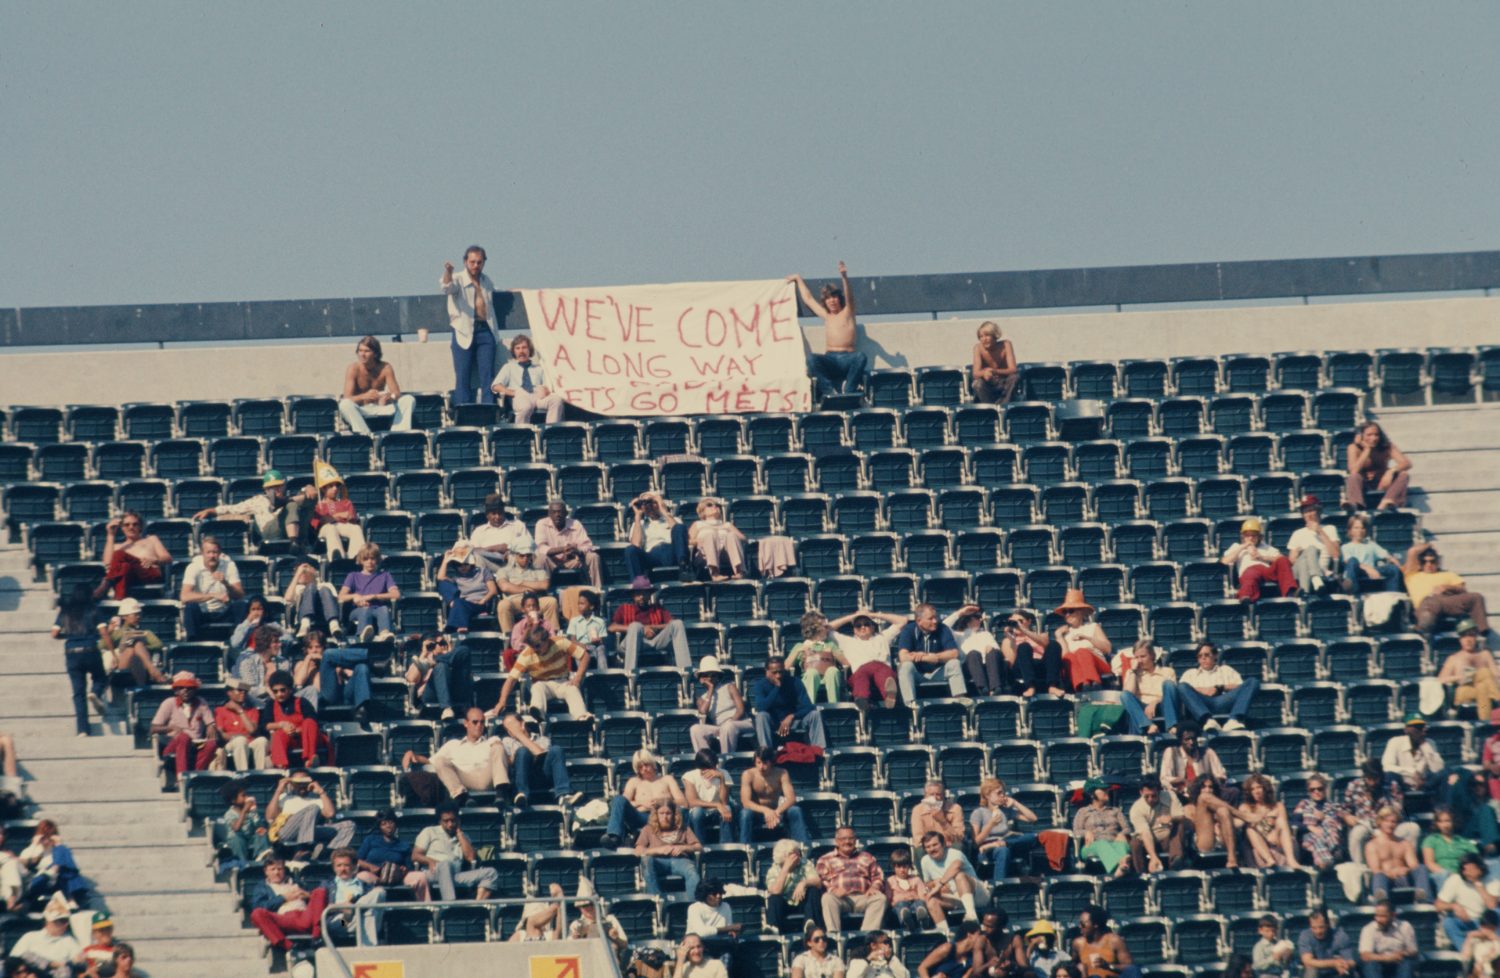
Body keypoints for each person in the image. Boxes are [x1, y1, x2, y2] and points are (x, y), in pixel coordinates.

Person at [791, 261, 867, 399]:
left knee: (861, 357)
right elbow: (808, 299)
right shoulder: (826, 316)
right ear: (824, 302)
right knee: (812, 359)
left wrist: (844, 276)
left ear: (839, 298)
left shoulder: (848, 311)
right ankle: (830, 393)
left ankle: (848, 391)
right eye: (828, 298)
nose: (831, 301)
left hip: (848, 357)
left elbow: (849, 297)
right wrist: (798, 278)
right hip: (830, 358)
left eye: (834, 297)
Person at [403, 708, 508, 806]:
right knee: (440, 760)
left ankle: (501, 793)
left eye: (482, 722)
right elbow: (432, 762)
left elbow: (502, 760)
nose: (479, 725)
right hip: (463, 780)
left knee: (498, 747)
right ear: (466, 723)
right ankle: (461, 797)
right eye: (475, 722)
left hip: (487, 777)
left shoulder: (492, 741)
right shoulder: (453, 744)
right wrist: (412, 754)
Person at [441, 245, 500, 406]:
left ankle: (489, 409)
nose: (476, 265)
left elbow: (496, 295)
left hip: (485, 331)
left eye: (479, 262)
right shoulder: (458, 278)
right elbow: (446, 287)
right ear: (466, 262)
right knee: (463, 375)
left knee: (488, 375)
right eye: (472, 262)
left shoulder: (486, 280)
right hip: (464, 331)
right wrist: (448, 272)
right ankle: (463, 411)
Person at [491, 627, 591, 719]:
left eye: (538, 646)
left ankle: (582, 717)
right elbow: (511, 680)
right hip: (542, 683)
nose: (535, 649)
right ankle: (537, 714)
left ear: (546, 640)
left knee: (573, 689)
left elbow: (585, 656)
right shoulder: (526, 655)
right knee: (537, 687)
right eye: (532, 646)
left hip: (563, 681)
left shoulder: (561, 642)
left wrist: (578, 677)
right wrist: (502, 701)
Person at [195, 471, 309, 550]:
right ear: (265, 489)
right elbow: (234, 509)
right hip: (269, 531)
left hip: (286, 529)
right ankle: (294, 542)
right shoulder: (258, 500)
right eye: (271, 487)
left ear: (284, 486)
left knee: (295, 506)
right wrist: (212, 510)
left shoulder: (291, 499)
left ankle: (298, 543)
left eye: (278, 486)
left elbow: (309, 499)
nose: (276, 490)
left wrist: (302, 492)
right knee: (292, 505)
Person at [600, 749, 686, 849]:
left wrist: (663, 803)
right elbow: (623, 803)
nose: (644, 769)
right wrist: (642, 803)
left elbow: (683, 802)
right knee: (618, 799)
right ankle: (614, 837)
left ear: (652, 764)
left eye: (646, 765)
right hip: (641, 817)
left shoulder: (667, 780)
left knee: (683, 811)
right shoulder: (634, 782)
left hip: (663, 817)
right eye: (640, 767)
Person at [413, 802, 499, 901]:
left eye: (453, 820)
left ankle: (476, 906)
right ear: (440, 821)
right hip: (433, 873)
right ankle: (450, 905)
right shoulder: (429, 831)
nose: (450, 824)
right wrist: (430, 861)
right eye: (446, 821)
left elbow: (471, 858)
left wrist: (459, 834)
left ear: (458, 820)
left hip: (455, 875)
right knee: (445, 864)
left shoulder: (463, 837)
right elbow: (415, 855)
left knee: (491, 873)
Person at [53, 584, 107, 737]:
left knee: (78, 693)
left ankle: (82, 729)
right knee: (100, 677)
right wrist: (113, 653)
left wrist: (69, 636)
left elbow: (54, 633)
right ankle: (95, 692)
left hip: (72, 652)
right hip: (90, 649)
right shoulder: (94, 609)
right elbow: (104, 633)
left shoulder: (65, 611)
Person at [1343, 759, 1420, 867]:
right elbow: (1345, 809)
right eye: (1369, 778)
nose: (1372, 782)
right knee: (1357, 833)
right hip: (1366, 826)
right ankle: (1361, 869)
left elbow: (1399, 812)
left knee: (1413, 828)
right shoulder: (1354, 786)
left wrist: (1383, 827)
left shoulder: (1391, 786)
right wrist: (1347, 816)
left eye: (1375, 778)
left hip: (1389, 826)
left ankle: (1409, 866)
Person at [1403, 543, 1490, 636]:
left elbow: (1462, 590)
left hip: (1447, 603)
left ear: (1438, 561)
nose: (1428, 564)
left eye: (1432, 561)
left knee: (1476, 597)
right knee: (1431, 601)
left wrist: (1447, 587)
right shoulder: (1412, 575)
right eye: (1424, 561)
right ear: (1420, 563)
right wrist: (1428, 545)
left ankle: (1482, 632)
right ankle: (1422, 629)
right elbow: (1412, 552)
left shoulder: (1448, 574)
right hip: (1425, 605)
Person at [828, 609, 906, 711]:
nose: (863, 627)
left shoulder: (883, 637)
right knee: (860, 676)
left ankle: (890, 697)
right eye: (858, 625)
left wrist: (872, 614)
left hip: (881, 667)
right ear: (854, 629)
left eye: (866, 624)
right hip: (861, 671)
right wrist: (852, 617)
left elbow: (903, 620)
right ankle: (862, 701)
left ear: (873, 626)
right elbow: (826, 629)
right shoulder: (847, 641)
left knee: (884, 673)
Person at [498, 711, 580, 807]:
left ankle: (564, 794)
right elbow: (509, 762)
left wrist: (520, 735)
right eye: (507, 728)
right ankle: (521, 795)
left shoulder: (542, 739)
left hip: (542, 775)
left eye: (511, 725)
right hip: (521, 777)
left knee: (556, 749)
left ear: (522, 723)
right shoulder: (507, 741)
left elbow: (539, 753)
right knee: (522, 751)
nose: (510, 730)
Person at [337, 334, 416, 433]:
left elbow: (396, 393)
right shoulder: (353, 368)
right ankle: (365, 435)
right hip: (361, 410)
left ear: (375, 353)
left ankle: (398, 434)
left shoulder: (385, 367)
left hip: (381, 408)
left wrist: (389, 397)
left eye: (366, 351)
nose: (362, 354)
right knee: (344, 404)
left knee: (408, 399)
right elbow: (347, 398)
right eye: (360, 351)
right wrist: (364, 396)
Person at [248, 856, 329, 952]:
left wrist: (308, 895)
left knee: (320, 891)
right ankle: (288, 946)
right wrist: (283, 898)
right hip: (284, 918)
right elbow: (258, 906)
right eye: (272, 869)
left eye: (280, 869)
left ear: (284, 869)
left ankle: (317, 936)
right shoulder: (262, 888)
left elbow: (319, 902)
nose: (277, 872)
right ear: (266, 871)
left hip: (304, 916)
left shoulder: (296, 882)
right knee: (257, 914)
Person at [816, 826, 888, 934]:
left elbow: (878, 876)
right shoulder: (826, 859)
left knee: (880, 898)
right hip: (841, 899)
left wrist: (874, 887)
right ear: (836, 841)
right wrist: (833, 889)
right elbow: (821, 879)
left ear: (855, 840)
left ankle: (866, 936)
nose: (847, 842)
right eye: (843, 839)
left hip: (864, 897)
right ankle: (834, 936)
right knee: (827, 898)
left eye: (851, 838)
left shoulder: (867, 857)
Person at [266, 769, 354, 855]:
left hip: (311, 830)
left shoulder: (317, 800)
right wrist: (278, 791)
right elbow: (270, 817)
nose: (301, 785)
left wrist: (321, 792)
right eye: (298, 783)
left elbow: (330, 814)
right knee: (313, 808)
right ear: (292, 783)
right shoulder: (285, 797)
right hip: (287, 831)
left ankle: (329, 853)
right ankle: (303, 848)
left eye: (304, 782)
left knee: (348, 825)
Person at [1175, 642, 1259, 732]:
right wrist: (1203, 690)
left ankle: (1234, 720)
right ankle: (1208, 720)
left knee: (1253, 681)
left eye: (1207, 655)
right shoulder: (1190, 673)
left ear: (1215, 656)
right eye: (1200, 656)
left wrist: (1221, 687)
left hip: (1223, 701)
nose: (1203, 658)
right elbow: (1182, 690)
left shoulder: (1226, 670)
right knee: (1182, 686)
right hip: (1201, 703)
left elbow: (1242, 687)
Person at [610, 584, 692, 672]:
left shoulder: (658, 608)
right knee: (635, 626)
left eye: (644, 593)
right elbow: (612, 627)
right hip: (633, 642)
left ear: (649, 595)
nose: (641, 597)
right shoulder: (624, 608)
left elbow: (671, 623)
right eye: (638, 594)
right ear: (633, 595)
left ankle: (686, 672)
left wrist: (653, 627)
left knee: (678, 624)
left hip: (655, 641)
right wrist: (641, 629)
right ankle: (630, 673)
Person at [355, 807, 431, 902]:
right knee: (362, 876)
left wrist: (404, 870)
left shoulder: (403, 845)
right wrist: (370, 866)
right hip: (375, 876)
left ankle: (427, 908)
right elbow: (356, 860)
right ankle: (360, 909)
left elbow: (409, 868)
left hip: (397, 877)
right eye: (384, 824)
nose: (388, 826)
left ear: (395, 824)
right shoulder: (371, 840)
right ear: (379, 826)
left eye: (391, 822)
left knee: (420, 877)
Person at [972, 777, 1041, 880]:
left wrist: (1015, 803)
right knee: (1003, 850)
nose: (1003, 795)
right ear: (987, 795)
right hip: (987, 849)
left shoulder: (1005, 810)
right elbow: (976, 842)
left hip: (1008, 842)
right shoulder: (979, 813)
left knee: (1034, 837)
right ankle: (998, 884)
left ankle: (1005, 844)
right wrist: (991, 824)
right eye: (998, 793)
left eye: (1003, 792)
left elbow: (1033, 819)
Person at [753, 655, 828, 749]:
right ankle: (766, 753)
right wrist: (777, 688)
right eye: (774, 672)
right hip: (773, 721)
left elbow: (809, 706)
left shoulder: (795, 682)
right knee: (761, 716)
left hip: (793, 720)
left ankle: (819, 751)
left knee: (815, 714)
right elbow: (761, 707)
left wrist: (791, 716)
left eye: (781, 672)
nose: (778, 675)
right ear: (767, 671)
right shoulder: (760, 685)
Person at [150, 671, 217, 776]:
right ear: (176, 691)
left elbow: (210, 722)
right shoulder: (169, 703)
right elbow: (153, 728)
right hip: (173, 744)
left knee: (211, 744)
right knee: (183, 737)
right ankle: (182, 775)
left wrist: (211, 726)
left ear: (194, 690)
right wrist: (170, 728)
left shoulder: (201, 702)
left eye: (189, 688)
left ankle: (196, 775)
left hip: (195, 744)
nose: (185, 691)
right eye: (181, 688)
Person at [178, 536, 246, 640]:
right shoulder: (193, 567)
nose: (212, 556)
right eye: (208, 552)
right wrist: (213, 595)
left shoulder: (229, 566)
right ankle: (193, 642)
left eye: (215, 552)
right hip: (202, 612)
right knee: (190, 607)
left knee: (240, 605)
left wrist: (226, 583)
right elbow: (184, 596)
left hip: (224, 611)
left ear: (219, 553)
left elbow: (240, 595)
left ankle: (240, 640)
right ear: (202, 553)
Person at [897, 604, 966, 705]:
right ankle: (910, 704)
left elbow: (954, 653)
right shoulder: (908, 630)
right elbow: (903, 656)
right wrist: (926, 657)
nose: (935, 621)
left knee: (954, 663)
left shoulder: (943, 628)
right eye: (930, 618)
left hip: (939, 672)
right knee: (905, 666)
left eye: (936, 617)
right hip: (917, 673)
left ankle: (960, 701)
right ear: (919, 621)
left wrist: (935, 657)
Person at [739, 746, 811, 844]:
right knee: (745, 813)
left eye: (765, 763)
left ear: (771, 762)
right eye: (758, 763)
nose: (761, 767)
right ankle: (745, 849)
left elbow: (791, 799)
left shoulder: (782, 773)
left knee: (795, 810)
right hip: (757, 813)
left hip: (777, 811)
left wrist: (776, 812)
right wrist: (766, 811)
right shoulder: (748, 774)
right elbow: (746, 802)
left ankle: (803, 847)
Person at [919, 830, 990, 928]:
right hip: (954, 897)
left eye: (935, 845)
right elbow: (928, 883)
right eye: (928, 847)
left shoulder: (955, 853)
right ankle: (944, 933)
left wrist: (940, 884)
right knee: (931, 901)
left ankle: (972, 917)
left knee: (959, 876)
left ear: (943, 844)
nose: (932, 849)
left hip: (977, 895)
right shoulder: (925, 861)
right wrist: (934, 884)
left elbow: (956, 867)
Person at [95, 595, 168, 688]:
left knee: (137, 645)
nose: (138, 617)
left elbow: (159, 644)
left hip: (140, 666)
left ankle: (145, 681)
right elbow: (101, 646)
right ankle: (153, 671)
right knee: (134, 646)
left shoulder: (145, 633)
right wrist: (109, 632)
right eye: (135, 614)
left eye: (139, 614)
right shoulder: (118, 633)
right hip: (120, 666)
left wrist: (143, 649)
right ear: (125, 617)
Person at [97, 511, 172, 600]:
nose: (131, 527)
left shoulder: (151, 540)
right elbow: (107, 564)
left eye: (135, 524)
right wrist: (111, 535)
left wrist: (154, 561)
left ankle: (104, 587)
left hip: (149, 573)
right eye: (127, 525)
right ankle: (119, 599)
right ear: (122, 528)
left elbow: (168, 558)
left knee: (119, 554)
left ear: (140, 527)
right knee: (125, 566)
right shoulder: (118, 546)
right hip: (129, 577)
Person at [490, 333, 564, 423]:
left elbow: (547, 386)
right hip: (519, 395)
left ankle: (551, 432)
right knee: (526, 406)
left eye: (524, 347)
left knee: (556, 400)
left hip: (537, 396)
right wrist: (512, 392)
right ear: (514, 351)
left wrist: (545, 390)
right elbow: (495, 386)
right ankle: (522, 433)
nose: (521, 351)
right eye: (518, 348)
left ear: (529, 350)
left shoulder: (539, 368)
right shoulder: (509, 367)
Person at [623, 491, 690, 588]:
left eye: (651, 501)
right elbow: (636, 545)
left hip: (673, 552)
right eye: (644, 503)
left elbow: (680, 535)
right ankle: (639, 587)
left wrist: (663, 510)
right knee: (630, 550)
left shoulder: (673, 519)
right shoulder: (639, 524)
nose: (648, 505)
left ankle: (684, 569)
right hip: (652, 555)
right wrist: (637, 516)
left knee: (679, 527)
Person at [1365, 806, 1432, 902]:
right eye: (1387, 821)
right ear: (1380, 822)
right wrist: (1392, 873)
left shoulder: (1404, 843)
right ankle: (1381, 902)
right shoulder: (1372, 845)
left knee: (1421, 868)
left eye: (1393, 822)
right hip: (1385, 880)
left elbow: (1413, 865)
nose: (1390, 825)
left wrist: (1405, 870)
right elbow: (1375, 869)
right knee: (1379, 876)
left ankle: (1425, 900)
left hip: (1403, 879)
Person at [636, 800, 702, 897]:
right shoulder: (648, 829)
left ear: (674, 814)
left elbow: (699, 847)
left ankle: (693, 905)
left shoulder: (683, 828)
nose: (665, 817)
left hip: (680, 860)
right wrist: (657, 850)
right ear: (656, 815)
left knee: (692, 871)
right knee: (646, 860)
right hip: (658, 862)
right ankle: (657, 899)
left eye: (668, 813)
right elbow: (638, 851)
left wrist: (684, 848)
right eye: (661, 813)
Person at [305, 628, 373, 722]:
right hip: (325, 699)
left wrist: (342, 671)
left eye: (317, 647)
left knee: (361, 667)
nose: (314, 651)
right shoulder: (303, 664)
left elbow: (348, 676)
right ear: (306, 650)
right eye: (310, 648)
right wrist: (308, 660)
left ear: (323, 647)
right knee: (328, 654)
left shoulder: (333, 661)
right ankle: (372, 658)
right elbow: (297, 681)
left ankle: (361, 709)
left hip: (343, 695)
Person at [1115, 641, 1181, 736]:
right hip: (1140, 708)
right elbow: (1129, 694)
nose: (1139, 661)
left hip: (1162, 705)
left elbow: (1172, 695)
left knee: (1168, 684)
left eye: (1143, 656)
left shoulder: (1168, 671)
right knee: (1124, 695)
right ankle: (1148, 726)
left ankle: (1171, 726)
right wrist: (1133, 671)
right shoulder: (1133, 673)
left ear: (1152, 656)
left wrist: (1154, 703)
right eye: (1136, 657)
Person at [690, 657, 754, 755]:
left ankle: (726, 759)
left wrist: (729, 722)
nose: (710, 678)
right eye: (706, 675)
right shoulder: (702, 698)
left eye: (713, 675)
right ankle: (706, 761)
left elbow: (740, 710)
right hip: (721, 727)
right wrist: (710, 689)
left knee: (728, 726)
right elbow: (703, 711)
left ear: (718, 676)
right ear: (701, 678)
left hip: (740, 722)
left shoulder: (730, 686)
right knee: (695, 729)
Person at [493, 539, 560, 633]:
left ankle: (553, 634)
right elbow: (505, 587)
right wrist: (526, 589)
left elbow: (544, 585)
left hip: (536, 600)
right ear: (515, 555)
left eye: (528, 555)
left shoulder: (538, 571)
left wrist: (520, 582)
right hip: (515, 601)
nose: (525, 558)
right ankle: (509, 636)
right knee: (503, 605)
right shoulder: (504, 571)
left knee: (551, 601)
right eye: (522, 555)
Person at [1436, 854, 1500, 952]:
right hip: (1465, 921)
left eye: (1470, 869)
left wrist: (1477, 883)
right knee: (1448, 923)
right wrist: (1454, 906)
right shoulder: (1455, 879)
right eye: (1464, 869)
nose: (1466, 873)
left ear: (1479, 868)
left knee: (1497, 912)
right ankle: (1468, 953)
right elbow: (1438, 905)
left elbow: (1492, 906)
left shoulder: (1492, 880)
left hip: (1486, 922)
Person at [323, 847, 384, 948]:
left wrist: (353, 908)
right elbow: (320, 908)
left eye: (346, 865)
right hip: (342, 921)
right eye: (339, 866)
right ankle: (369, 951)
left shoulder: (364, 886)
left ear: (355, 866)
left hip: (359, 918)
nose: (343, 869)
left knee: (379, 893)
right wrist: (341, 907)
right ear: (334, 868)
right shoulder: (327, 885)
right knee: (368, 913)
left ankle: (354, 908)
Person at [1224, 518, 1297, 601]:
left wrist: (1261, 557)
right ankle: (1245, 597)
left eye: (1254, 535)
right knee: (1250, 574)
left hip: (1265, 571)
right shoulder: (1237, 546)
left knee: (1283, 560)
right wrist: (1244, 546)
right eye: (1247, 535)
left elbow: (1281, 558)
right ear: (1243, 536)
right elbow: (1225, 561)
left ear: (1259, 537)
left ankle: (1290, 592)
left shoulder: (1265, 547)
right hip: (1249, 571)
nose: (1250, 538)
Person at [337, 544, 398, 643]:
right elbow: (341, 596)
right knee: (365, 610)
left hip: (377, 608)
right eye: (366, 559)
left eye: (372, 558)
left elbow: (396, 594)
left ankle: (385, 634)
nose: (369, 562)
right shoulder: (353, 576)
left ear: (377, 559)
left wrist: (375, 596)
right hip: (358, 609)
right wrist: (355, 596)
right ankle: (363, 634)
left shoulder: (385, 576)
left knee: (384, 609)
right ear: (361, 560)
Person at [1053, 591, 1113, 692]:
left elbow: (1107, 648)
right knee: (1069, 657)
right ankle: (1083, 685)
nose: (1067, 615)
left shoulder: (1093, 627)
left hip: (1098, 666)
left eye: (1071, 611)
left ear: (1080, 612)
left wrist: (1087, 638)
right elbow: (1065, 657)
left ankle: (1094, 682)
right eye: (1065, 612)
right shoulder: (1064, 633)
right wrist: (1059, 637)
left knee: (1082, 652)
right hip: (1077, 672)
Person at [11, 893, 82, 977]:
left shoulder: (69, 940)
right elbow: (13, 961)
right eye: (60, 921)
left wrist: (78, 961)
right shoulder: (30, 937)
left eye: (66, 921)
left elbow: (79, 961)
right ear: (47, 922)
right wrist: (48, 964)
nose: (65, 925)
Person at [1238, 774, 1301, 868]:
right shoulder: (1245, 807)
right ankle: (1269, 860)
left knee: (1281, 822)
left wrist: (1275, 833)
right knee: (1250, 829)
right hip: (1259, 843)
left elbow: (1283, 826)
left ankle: (1291, 859)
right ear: (1249, 792)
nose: (1256, 791)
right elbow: (1237, 823)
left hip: (1278, 840)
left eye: (1259, 787)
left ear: (1265, 788)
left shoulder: (1278, 806)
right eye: (1252, 789)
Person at [534, 500, 601, 588]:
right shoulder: (541, 524)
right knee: (541, 559)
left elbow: (587, 546)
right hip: (551, 562)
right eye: (554, 512)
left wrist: (577, 551)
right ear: (549, 514)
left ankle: (597, 592)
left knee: (593, 557)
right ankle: (542, 593)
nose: (557, 515)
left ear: (566, 513)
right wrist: (564, 549)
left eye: (560, 512)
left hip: (572, 561)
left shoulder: (575, 524)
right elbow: (541, 548)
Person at [406, 632, 472, 721]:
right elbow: (411, 679)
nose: (441, 646)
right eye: (432, 645)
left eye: (442, 643)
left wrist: (449, 653)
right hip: (431, 694)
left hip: (455, 691)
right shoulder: (421, 660)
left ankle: (437, 661)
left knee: (464, 649)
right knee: (441, 666)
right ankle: (446, 708)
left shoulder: (454, 656)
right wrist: (424, 653)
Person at [1441, 620, 1499, 722]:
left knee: (1482, 687)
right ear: (1460, 639)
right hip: (1464, 691)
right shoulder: (1454, 658)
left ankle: (1485, 722)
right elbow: (1441, 679)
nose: (1468, 640)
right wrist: (1459, 677)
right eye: (1464, 636)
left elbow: (1496, 675)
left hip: (1483, 691)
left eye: (1471, 635)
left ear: (1476, 637)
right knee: (1484, 672)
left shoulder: (1485, 654)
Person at [1128, 778, 1189, 875]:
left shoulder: (1170, 796)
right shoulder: (1136, 809)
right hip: (1148, 841)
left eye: (1154, 796)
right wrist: (1153, 857)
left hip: (1168, 839)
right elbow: (1145, 833)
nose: (1150, 799)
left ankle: (1176, 863)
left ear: (1159, 792)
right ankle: (1141, 875)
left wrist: (1171, 818)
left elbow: (1181, 816)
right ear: (1141, 793)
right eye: (1147, 796)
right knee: (1134, 843)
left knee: (1179, 825)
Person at [1073, 779, 1133, 878]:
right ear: (1092, 794)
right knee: (1102, 844)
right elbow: (1076, 830)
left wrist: (1122, 834)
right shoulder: (1083, 812)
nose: (1107, 791)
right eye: (1103, 789)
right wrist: (1086, 832)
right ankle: (1121, 863)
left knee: (1122, 845)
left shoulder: (1115, 810)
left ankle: (1120, 869)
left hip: (1114, 842)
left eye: (1107, 789)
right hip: (1092, 845)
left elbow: (1127, 828)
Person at [1347, 422, 1412, 512]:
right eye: (1369, 435)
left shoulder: (1387, 446)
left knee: (1403, 475)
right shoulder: (1353, 447)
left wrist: (1391, 471)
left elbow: (1406, 463)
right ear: (1360, 436)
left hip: (1383, 483)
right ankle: (1357, 506)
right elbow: (1353, 471)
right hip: (1364, 484)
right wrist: (1367, 450)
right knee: (1353, 477)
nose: (1373, 438)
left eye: (1376, 435)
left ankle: (1385, 503)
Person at [265, 669, 324, 768]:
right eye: (275, 691)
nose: (279, 694)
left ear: (290, 689)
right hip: (288, 738)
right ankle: (280, 764)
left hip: (306, 736)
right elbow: (265, 725)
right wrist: (281, 725)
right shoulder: (271, 704)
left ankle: (310, 759)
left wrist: (296, 730)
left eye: (283, 690)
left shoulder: (302, 702)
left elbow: (313, 721)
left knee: (309, 722)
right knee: (277, 734)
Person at [947, 605, 1008, 697]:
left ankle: (995, 689)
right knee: (973, 654)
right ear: (967, 619)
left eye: (980, 617)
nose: (980, 620)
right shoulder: (957, 635)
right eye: (977, 617)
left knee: (993, 652)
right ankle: (982, 689)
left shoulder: (985, 634)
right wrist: (960, 613)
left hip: (989, 666)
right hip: (970, 667)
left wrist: (991, 648)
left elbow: (997, 652)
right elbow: (943, 627)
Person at [310, 461, 366, 561]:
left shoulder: (345, 502)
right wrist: (337, 516)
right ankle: (336, 558)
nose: (335, 488)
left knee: (356, 528)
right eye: (331, 486)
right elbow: (317, 523)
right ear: (323, 489)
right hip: (326, 529)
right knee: (330, 528)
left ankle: (357, 558)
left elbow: (350, 516)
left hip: (343, 526)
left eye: (336, 485)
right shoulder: (318, 505)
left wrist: (332, 516)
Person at [436, 543, 497, 633]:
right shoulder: (457, 577)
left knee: (459, 603)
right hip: (464, 603)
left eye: (465, 564)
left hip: (480, 603)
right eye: (458, 565)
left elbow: (493, 590)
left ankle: (455, 627)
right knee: (443, 584)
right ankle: (454, 605)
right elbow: (440, 578)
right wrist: (445, 560)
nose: (462, 567)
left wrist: (483, 600)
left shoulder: (483, 571)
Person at [1184, 774, 1241, 869]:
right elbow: (1190, 828)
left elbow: (1238, 823)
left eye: (1210, 787)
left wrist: (1221, 823)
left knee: (1223, 811)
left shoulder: (1223, 807)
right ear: (1197, 789)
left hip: (1222, 839)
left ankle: (1231, 858)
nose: (1207, 790)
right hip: (1204, 842)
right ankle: (1240, 813)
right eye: (1203, 787)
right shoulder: (1190, 808)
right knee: (1203, 798)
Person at [765, 837, 822, 933]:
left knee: (813, 890)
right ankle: (773, 927)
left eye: (798, 852)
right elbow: (775, 891)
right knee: (774, 898)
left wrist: (803, 883)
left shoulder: (805, 863)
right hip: (784, 905)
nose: (798, 855)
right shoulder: (773, 870)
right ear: (784, 856)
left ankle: (810, 923)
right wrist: (785, 869)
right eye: (794, 853)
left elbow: (818, 882)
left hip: (802, 902)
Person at [1288, 495, 1342, 594]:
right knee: (1311, 550)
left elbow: (1336, 555)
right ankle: (1316, 579)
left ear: (1319, 511)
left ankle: (1305, 592)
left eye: (1311, 510)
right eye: (1305, 511)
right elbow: (1292, 560)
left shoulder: (1330, 529)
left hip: (1321, 569)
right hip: (1298, 571)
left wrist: (1320, 531)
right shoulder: (1298, 533)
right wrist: (1301, 555)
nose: (1309, 515)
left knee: (1307, 560)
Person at [1292, 773, 1347, 870]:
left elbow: (1339, 825)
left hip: (1328, 835)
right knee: (1316, 837)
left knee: (1329, 825)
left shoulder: (1333, 805)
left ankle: (1325, 860)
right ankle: (1333, 852)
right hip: (1309, 836)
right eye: (1312, 790)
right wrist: (1310, 827)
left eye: (1319, 789)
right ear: (1309, 792)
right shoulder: (1304, 804)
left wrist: (1324, 818)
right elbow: (1294, 823)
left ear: (1325, 789)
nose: (1316, 792)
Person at [467, 494, 535, 573]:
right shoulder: (479, 531)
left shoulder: (517, 525)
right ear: (487, 515)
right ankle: (487, 583)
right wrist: (494, 548)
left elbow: (530, 544)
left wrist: (510, 549)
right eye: (494, 514)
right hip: (491, 565)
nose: (497, 517)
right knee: (477, 557)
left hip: (514, 563)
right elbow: (472, 550)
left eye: (500, 513)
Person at [682, 748, 736, 845]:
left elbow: (724, 802)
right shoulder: (689, 776)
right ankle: (699, 846)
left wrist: (722, 779)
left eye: (713, 767)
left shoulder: (723, 773)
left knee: (727, 808)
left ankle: (726, 847)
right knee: (697, 812)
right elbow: (692, 802)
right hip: (699, 811)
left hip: (716, 812)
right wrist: (717, 805)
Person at [1382, 713, 1447, 792]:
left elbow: (1438, 769)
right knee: (1390, 776)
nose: (1422, 730)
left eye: (1423, 727)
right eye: (1417, 727)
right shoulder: (1395, 742)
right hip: (1402, 785)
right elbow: (1387, 767)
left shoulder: (1430, 744)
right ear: (1406, 730)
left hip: (1424, 785)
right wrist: (1412, 772)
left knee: (1446, 774)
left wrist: (1423, 744)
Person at [1342, 514, 1405, 594]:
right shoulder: (1345, 547)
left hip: (1370, 573)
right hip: (1355, 573)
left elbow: (1387, 556)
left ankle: (1392, 595)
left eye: (1362, 528)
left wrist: (1400, 567)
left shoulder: (1370, 544)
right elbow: (1347, 561)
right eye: (1356, 528)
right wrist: (1368, 568)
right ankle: (1351, 589)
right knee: (1353, 560)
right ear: (1350, 530)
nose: (1360, 531)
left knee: (1392, 569)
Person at [214, 678, 268, 770]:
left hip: (249, 742)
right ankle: (243, 773)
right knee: (240, 740)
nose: (243, 693)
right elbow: (221, 734)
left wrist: (240, 711)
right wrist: (238, 737)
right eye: (239, 690)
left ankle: (260, 773)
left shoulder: (252, 711)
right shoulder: (220, 710)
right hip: (231, 744)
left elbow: (252, 730)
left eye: (245, 691)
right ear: (229, 692)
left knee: (262, 740)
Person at [1158, 724, 1228, 795]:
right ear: (1180, 740)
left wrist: (1208, 783)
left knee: (1234, 791)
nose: (1191, 742)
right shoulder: (1171, 752)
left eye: (1193, 739)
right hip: (1181, 794)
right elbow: (1164, 779)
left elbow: (1221, 775)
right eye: (1187, 739)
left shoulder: (1208, 752)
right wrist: (1183, 780)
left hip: (1206, 791)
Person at [1071, 906, 1140, 978]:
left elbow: (1130, 969)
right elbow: (1071, 968)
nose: (1079, 926)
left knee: (1134, 969)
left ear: (1095, 924)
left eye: (1083, 924)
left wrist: (1108, 966)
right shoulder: (1078, 943)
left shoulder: (1114, 941)